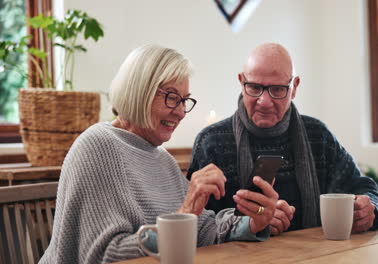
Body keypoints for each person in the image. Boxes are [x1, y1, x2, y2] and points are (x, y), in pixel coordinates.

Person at [40, 44, 279, 264]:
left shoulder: (162, 158)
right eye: (172, 97)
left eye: (184, 100)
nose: (181, 112)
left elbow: (201, 229)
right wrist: (185, 214)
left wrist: (252, 222)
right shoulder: (96, 146)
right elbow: (106, 255)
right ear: (140, 91)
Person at [187, 43, 378, 236]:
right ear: (241, 82)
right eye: (254, 87)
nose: (264, 101)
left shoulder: (318, 136)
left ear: (294, 87)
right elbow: (197, 225)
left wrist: (369, 208)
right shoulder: (211, 142)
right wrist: (253, 223)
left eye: (278, 89)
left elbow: (362, 186)